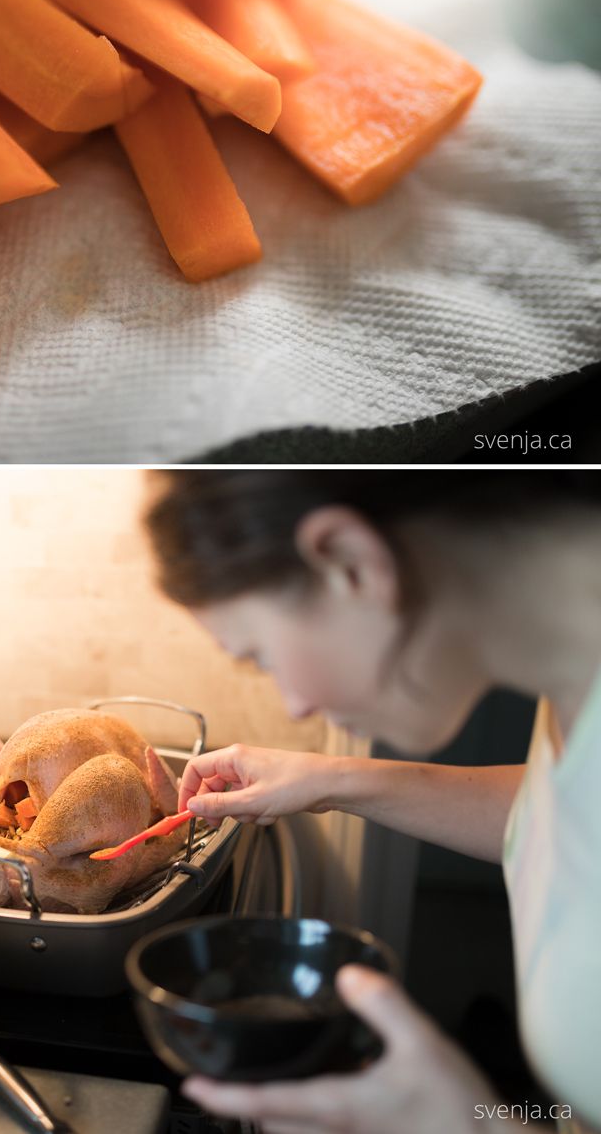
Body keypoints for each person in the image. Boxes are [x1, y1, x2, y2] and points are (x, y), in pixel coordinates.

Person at [142, 470, 599, 1134]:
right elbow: (556, 814)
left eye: (259, 655)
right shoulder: (573, 674)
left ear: (350, 562)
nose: (293, 703)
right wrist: (332, 780)